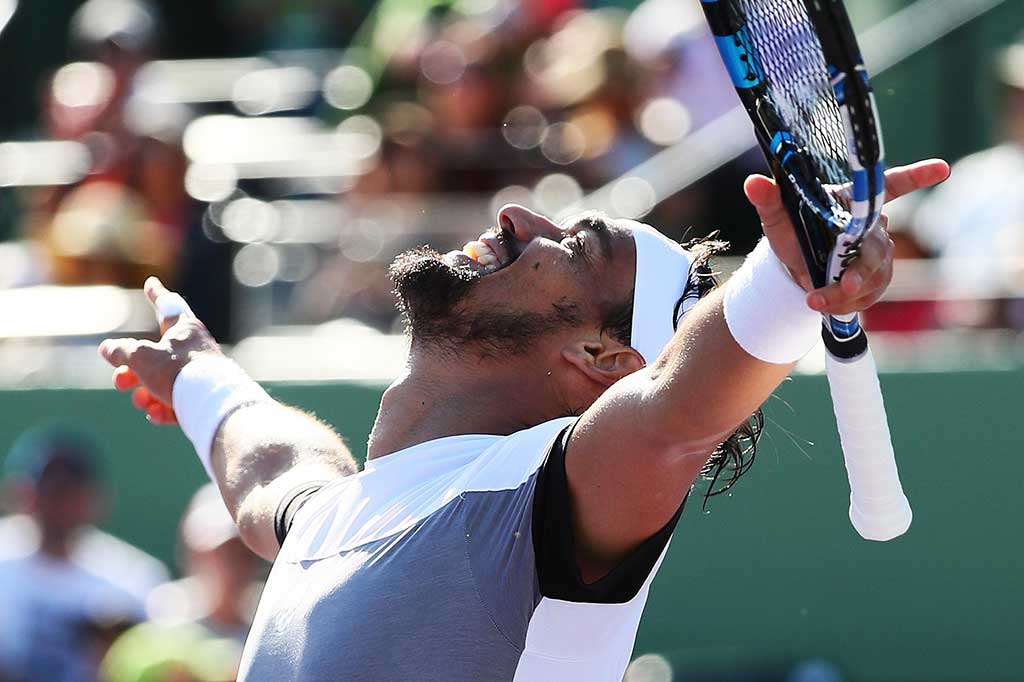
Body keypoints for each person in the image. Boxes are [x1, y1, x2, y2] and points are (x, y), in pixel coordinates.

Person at [98, 159, 948, 681]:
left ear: (605, 360)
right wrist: (200, 376)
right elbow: (271, 472)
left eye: (573, 248)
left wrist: (790, 278)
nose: (514, 217)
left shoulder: (551, 491)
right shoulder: (340, 513)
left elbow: (675, 418)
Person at [0, 424, 168, 682]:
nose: (58, 504)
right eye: (49, 491)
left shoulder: (132, 577)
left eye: (69, 492)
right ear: (22, 494)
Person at [101, 484, 264, 682]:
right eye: (222, 554)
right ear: (194, 552)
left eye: (244, 553)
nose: (235, 566)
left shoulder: (270, 620)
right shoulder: (160, 616)